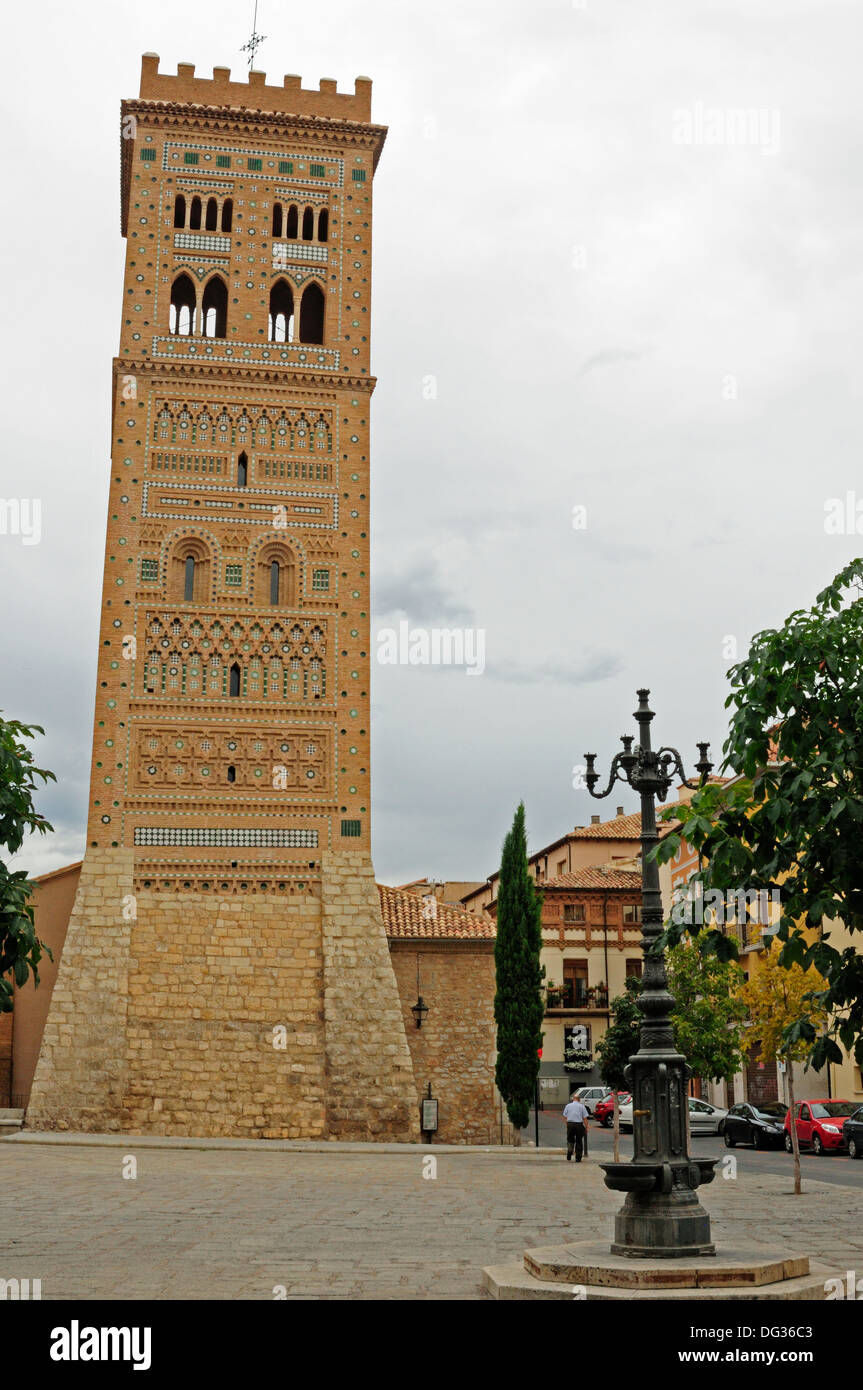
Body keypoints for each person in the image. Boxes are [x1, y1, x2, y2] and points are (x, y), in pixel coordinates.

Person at [562, 1093, 589, 1162]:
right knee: (579, 1140)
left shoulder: (568, 1106)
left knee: (570, 1139)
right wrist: (586, 1127)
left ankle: (569, 1152)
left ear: (573, 1099)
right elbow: (585, 1118)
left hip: (570, 1124)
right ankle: (578, 1158)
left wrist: (567, 1124)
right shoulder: (582, 1106)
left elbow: (565, 1116)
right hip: (579, 1125)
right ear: (579, 1099)